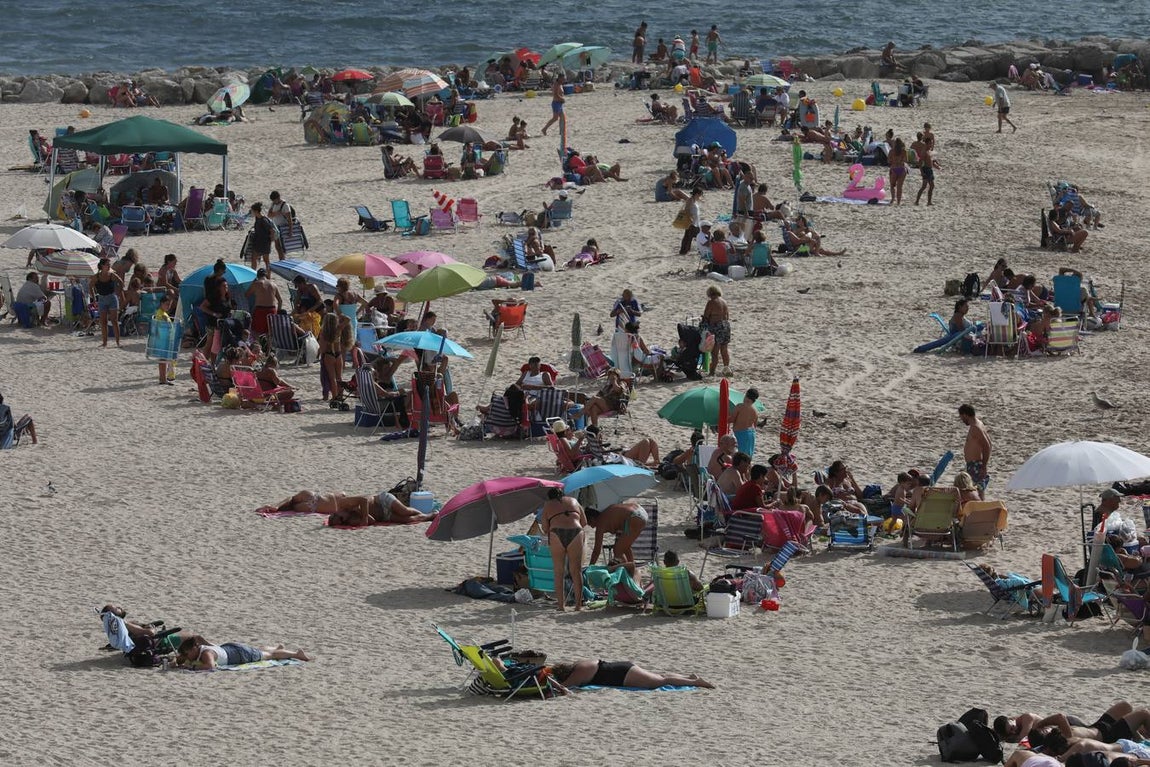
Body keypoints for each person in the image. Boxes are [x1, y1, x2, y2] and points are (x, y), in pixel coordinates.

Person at [540, 488, 587, 612]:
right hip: (576, 531)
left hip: (556, 533)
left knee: (558, 571)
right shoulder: (574, 501)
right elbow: (584, 522)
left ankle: (561, 606)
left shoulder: (548, 505)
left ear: (550, 497)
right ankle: (578, 606)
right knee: (576, 571)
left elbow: (545, 528)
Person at [274, 489, 435, 524]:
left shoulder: (344, 503)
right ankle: (430, 516)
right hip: (383, 515)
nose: (342, 520)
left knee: (405, 511)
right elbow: (372, 521)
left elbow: (364, 499)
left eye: (340, 518)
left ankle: (425, 512)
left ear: (337, 513)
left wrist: (364, 516)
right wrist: (365, 518)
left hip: (381, 500)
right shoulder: (350, 520)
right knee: (407, 520)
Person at [546, 658, 713, 691]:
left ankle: (697, 682)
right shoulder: (580, 663)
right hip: (622, 667)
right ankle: (688, 677)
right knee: (659, 675)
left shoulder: (578, 673)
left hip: (623, 675)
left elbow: (563, 688)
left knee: (660, 681)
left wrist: (549, 681)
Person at [177, 636, 310, 669]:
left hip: (239, 654)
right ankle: (277, 647)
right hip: (230, 648)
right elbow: (198, 638)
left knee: (270, 656)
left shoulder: (207, 654)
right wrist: (178, 661)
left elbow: (210, 666)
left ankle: (296, 654)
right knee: (259, 650)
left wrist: (191, 667)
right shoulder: (200, 647)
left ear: (194, 649)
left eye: (187, 654)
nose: (186, 656)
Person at [582, 424, 659, 467]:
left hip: (621, 455)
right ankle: (642, 465)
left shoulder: (595, 444)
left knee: (650, 441)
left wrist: (600, 444)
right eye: (600, 434)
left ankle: (656, 461)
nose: (601, 435)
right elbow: (606, 454)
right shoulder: (591, 446)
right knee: (645, 442)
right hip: (623, 457)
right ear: (595, 435)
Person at [90, 258, 124, 347]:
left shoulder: (112, 275)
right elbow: (90, 286)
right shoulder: (96, 277)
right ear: (102, 266)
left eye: (109, 265)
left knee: (114, 321)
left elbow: (121, 283)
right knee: (103, 322)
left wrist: (118, 293)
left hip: (112, 298)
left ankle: (118, 342)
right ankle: (104, 343)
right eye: (107, 265)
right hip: (101, 299)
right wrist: (94, 298)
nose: (109, 266)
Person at [960, 403, 991, 499]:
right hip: (974, 465)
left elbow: (987, 446)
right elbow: (989, 443)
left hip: (975, 465)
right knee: (977, 490)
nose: (962, 420)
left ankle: (979, 507)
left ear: (965, 415)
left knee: (976, 491)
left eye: (961, 417)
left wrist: (984, 466)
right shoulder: (979, 424)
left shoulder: (975, 428)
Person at [701, 285, 731, 377]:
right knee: (724, 350)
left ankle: (712, 372)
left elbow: (706, 316)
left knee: (715, 351)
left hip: (716, 327)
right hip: (726, 326)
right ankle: (726, 369)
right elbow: (727, 316)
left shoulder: (711, 302)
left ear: (710, 293)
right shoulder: (724, 302)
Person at [245, 268, 282, 339]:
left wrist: (253, 283)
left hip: (260, 310)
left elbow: (246, 294)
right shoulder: (273, 284)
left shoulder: (256, 284)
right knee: (270, 333)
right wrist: (278, 313)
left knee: (256, 332)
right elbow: (280, 301)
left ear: (257, 276)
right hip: (272, 310)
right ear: (266, 275)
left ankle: (258, 345)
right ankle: (268, 346)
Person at [152, 294, 176, 385]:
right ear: (161, 303)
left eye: (170, 305)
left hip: (163, 339)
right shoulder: (161, 314)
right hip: (162, 339)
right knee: (163, 360)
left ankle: (163, 378)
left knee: (163, 360)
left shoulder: (163, 313)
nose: (168, 306)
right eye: (167, 304)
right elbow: (161, 326)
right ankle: (163, 379)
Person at [913, 132, 940, 206]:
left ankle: (928, 202)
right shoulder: (924, 152)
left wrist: (935, 166)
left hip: (929, 170)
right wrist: (921, 172)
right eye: (930, 143)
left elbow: (930, 161)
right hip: (926, 170)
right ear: (927, 144)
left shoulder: (928, 151)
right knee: (924, 186)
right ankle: (917, 201)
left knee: (930, 186)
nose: (931, 145)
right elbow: (920, 162)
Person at [731, 388, 760, 458]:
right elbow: (755, 425)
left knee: (740, 456)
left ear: (746, 395)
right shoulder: (755, 410)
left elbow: (732, 419)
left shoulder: (740, 406)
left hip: (741, 434)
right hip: (751, 434)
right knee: (747, 456)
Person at [248, 202, 276, 273]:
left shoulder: (264, 220)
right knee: (254, 258)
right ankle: (253, 274)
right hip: (258, 242)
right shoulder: (257, 218)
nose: (251, 212)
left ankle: (267, 275)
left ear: (256, 211)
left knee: (265, 260)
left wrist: (271, 239)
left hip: (264, 243)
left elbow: (272, 230)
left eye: (252, 211)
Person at [268, 191, 294, 260]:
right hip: (275, 228)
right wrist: (277, 213)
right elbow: (269, 215)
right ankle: (281, 260)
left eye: (274, 200)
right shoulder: (273, 204)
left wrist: (290, 231)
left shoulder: (285, 205)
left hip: (283, 228)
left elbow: (290, 219)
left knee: (282, 247)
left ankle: (283, 260)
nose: (274, 202)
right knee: (277, 246)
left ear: (278, 198)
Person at [679, 187, 703, 256]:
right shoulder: (690, 200)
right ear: (696, 194)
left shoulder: (695, 200)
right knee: (688, 237)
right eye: (700, 195)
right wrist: (689, 218)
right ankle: (684, 251)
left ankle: (686, 250)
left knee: (693, 236)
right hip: (691, 222)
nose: (700, 196)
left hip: (696, 222)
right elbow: (686, 209)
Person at [541, 72, 566, 136]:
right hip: (556, 103)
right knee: (555, 118)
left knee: (562, 118)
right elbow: (555, 94)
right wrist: (562, 99)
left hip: (559, 103)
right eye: (563, 79)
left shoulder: (560, 84)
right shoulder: (556, 84)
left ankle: (561, 131)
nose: (564, 80)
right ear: (559, 78)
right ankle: (544, 129)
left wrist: (562, 99)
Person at [887, 137, 909, 205]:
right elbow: (906, 160)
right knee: (899, 187)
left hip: (894, 168)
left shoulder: (891, 151)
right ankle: (898, 202)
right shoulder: (904, 151)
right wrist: (900, 160)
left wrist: (894, 161)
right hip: (902, 169)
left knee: (892, 185)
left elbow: (888, 161)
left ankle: (892, 199)